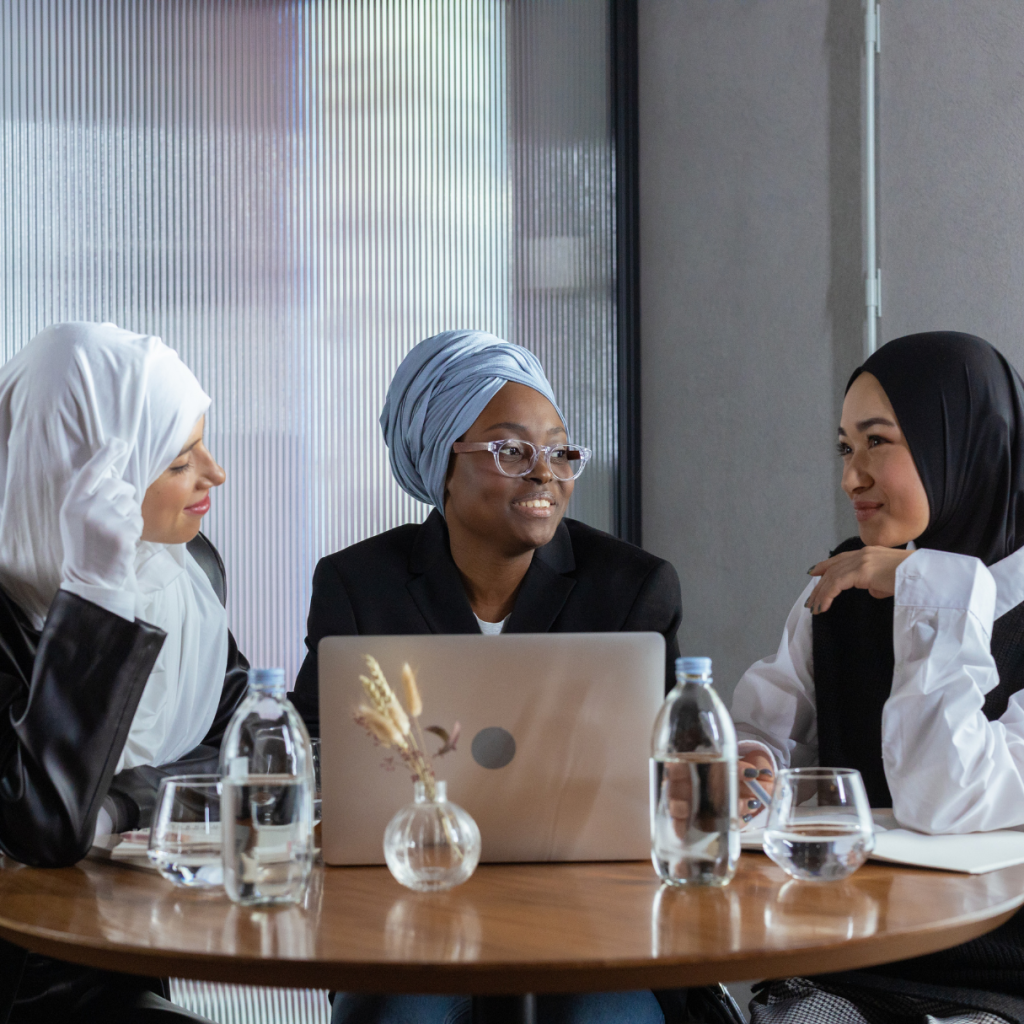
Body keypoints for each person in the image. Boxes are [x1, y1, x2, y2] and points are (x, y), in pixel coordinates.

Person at [292, 331, 740, 1024]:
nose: (545, 473)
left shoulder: (631, 585)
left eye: (560, 451)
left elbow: (666, 760)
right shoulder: (358, 584)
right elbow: (316, 748)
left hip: (593, 918)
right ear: (441, 464)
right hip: (408, 912)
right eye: (511, 450)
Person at [731, 332, 1024, 1024]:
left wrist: (933, 587)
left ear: (964, 444)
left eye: (878, 443)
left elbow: (947, 802)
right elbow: (766, 733)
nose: (851, 477)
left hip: (996, 979)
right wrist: (752, 762)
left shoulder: (904, 580)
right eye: (844, 447)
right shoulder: (845, 584)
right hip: (845, 958)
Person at [0, 321, 249, 1024]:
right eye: (178, 462)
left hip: (131, 949)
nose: (216, 473)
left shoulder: (184, 574)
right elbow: (44, 826)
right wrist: (96, 600)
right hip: (26, 981)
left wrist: (121, 803)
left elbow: (240, 749)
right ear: (82, 479)